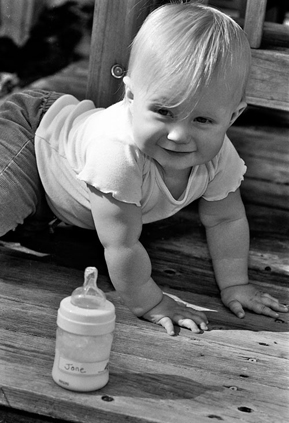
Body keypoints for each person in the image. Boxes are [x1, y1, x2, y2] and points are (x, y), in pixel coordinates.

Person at [0, 1, 287, 335]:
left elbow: (226, 219)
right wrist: (150, 302)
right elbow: (121, 245)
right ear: (131, 96)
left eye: (203, 119)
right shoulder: (118, 154)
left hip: (58, 194)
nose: (179, 135)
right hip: (32, 137)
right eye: (164, 111)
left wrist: (235, 285)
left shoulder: (219, 156)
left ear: (233, 117)